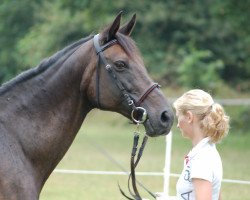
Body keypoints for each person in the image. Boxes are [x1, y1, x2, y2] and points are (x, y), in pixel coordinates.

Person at [173, 89, 229, 200]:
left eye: (178, 116)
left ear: (189, 117)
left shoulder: (201, 160)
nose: (178, 125)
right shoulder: (205, 152)